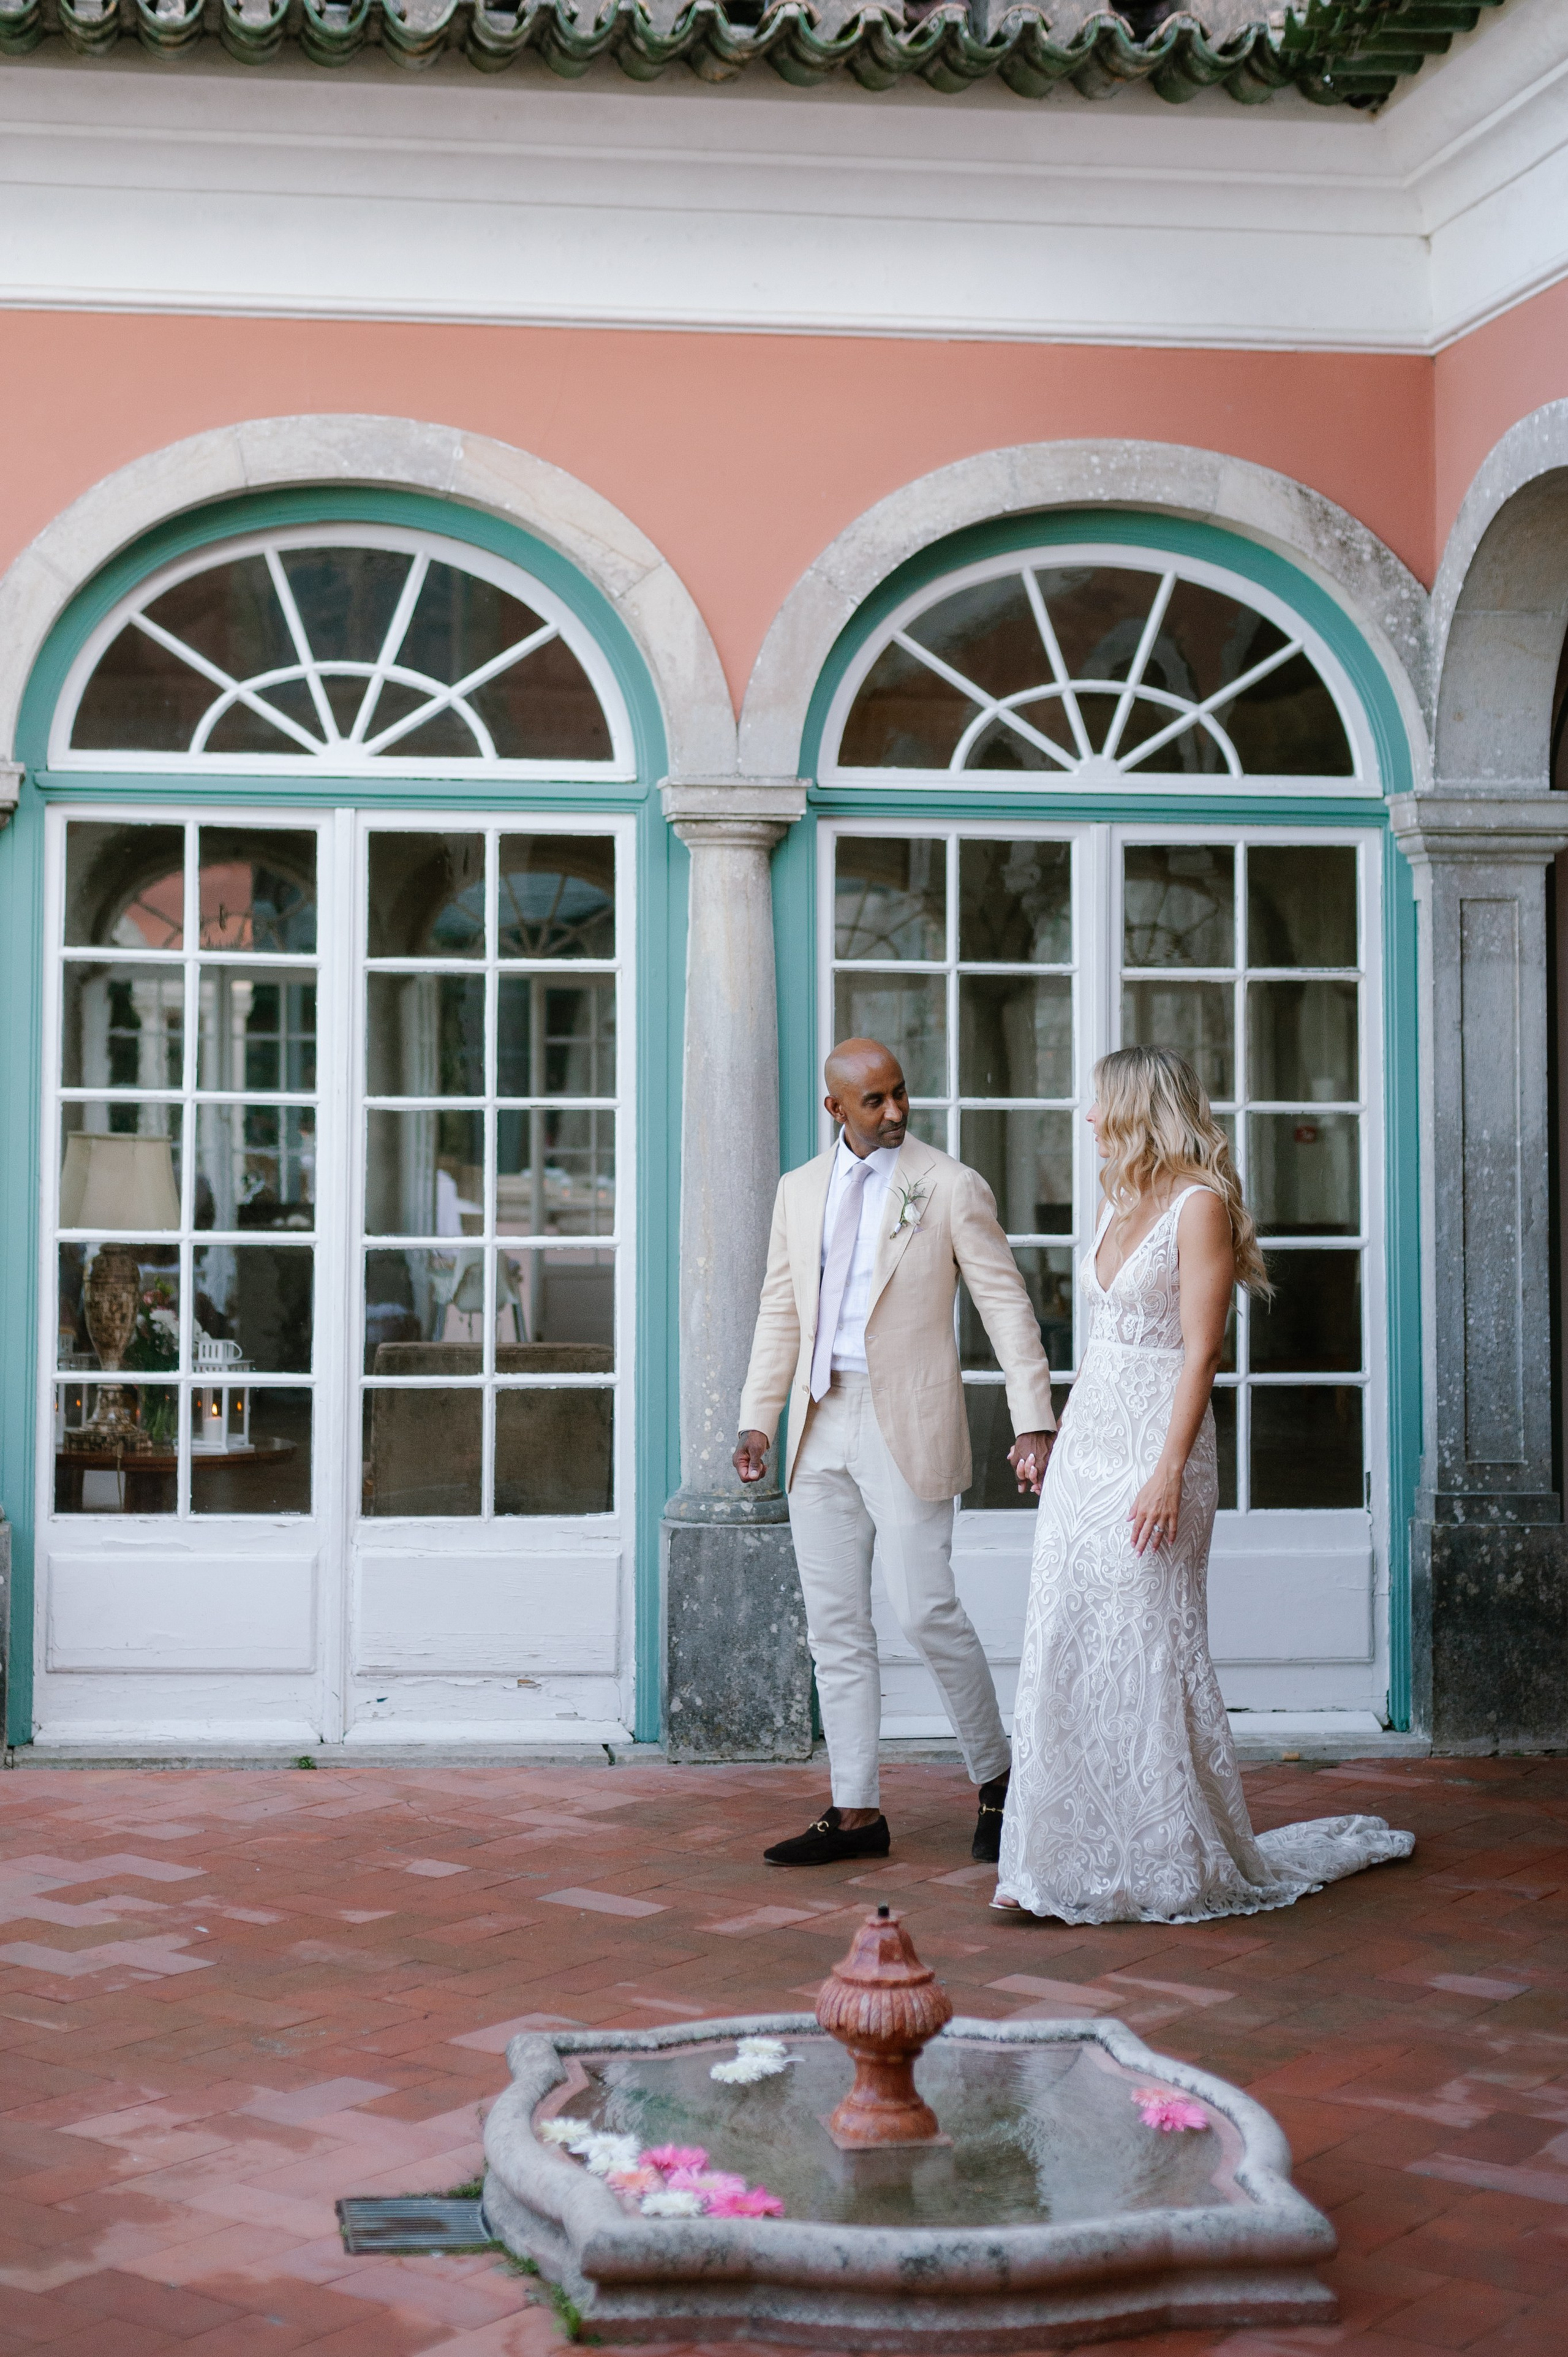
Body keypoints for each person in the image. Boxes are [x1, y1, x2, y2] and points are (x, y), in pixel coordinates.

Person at [995, 1045, 1413, 1924]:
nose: (1087, 1118)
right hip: (1090, 1448)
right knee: (1071, 1633)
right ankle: (1069, 1858)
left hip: (1158, 1449)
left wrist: (1166, 1473)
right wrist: (1059, 1438)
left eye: (1099, 1102)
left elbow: (1202, 1352)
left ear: (1137, 1108)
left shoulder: (1201, 1205)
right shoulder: (1116, 1199)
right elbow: (1102, 1343)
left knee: (1149, 1639)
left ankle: (1162, 1859)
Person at [735, 1039, 1056, 1868]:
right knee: (835, 1627)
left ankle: (999, 1779)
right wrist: (757, 1418)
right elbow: (780, 1307)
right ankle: (855, 1811)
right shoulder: (799, 1190)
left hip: (905, 1421)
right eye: (874, 1101)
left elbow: (1005, 1304)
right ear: (835, 1108)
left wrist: (1033, 1418)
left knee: (924, 1611)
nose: (894, 1112)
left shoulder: (948, 1184)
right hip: (818, 1421)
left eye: (900, 1094)